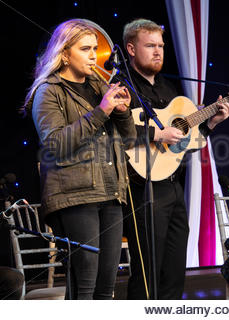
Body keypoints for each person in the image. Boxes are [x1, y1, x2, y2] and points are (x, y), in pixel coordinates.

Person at [115, 19, 229, 299]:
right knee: (148, 275)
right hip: (141, 188)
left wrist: (210, 124)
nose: (158, 52)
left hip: (172, 187)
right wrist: (157, 133)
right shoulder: (120, 87)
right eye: (150, 45)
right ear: (130, 49)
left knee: (174, 270)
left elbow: (182, 145)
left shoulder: (169, 90)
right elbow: (115, 132)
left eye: (161, 46)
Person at [23, 19, 136, 299]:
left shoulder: (100, 85)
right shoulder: (49, 91)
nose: (93, 56)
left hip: (110, 192)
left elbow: (130, 139)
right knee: (84, 284)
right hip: (75, 197)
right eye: (85, 49)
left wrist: (120, 110)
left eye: (95, 48)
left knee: (107, 286)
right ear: (64, 53)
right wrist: (101, 111)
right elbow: (56, 144)